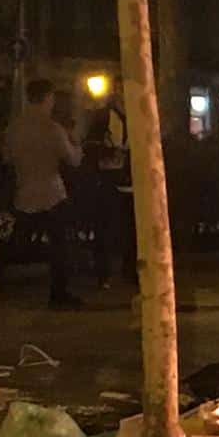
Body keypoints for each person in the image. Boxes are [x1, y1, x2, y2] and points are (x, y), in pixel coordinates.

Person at [4, 79, 83, 308]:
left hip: (23, 192)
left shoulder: (14, 128)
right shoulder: (53, 129)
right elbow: (73, 159)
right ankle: (59, 294)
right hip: (52, 193)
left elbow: (6, 158)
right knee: (60, 246)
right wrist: (76, 142)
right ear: (48, 98)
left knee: (16, 242)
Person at [84, 87, 136, 288]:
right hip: (108, 179)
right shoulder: (103, 117)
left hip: (130, 179)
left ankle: (130, 270)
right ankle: (103, 274)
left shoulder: (136, 117)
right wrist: (110, 153)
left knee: (131, 229)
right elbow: (90, 146)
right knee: (105, 228)